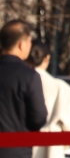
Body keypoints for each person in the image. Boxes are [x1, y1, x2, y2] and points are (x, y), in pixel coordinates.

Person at [23, 41, 70, 158]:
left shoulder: (18, 82)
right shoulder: (60, 87)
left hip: (19, 145)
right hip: (50, 147)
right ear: (47, 58)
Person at [0, 20, 47, 158]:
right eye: (30, 42)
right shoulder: (29, 76)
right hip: (17, 150)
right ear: (22, 44)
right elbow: (39, 117)